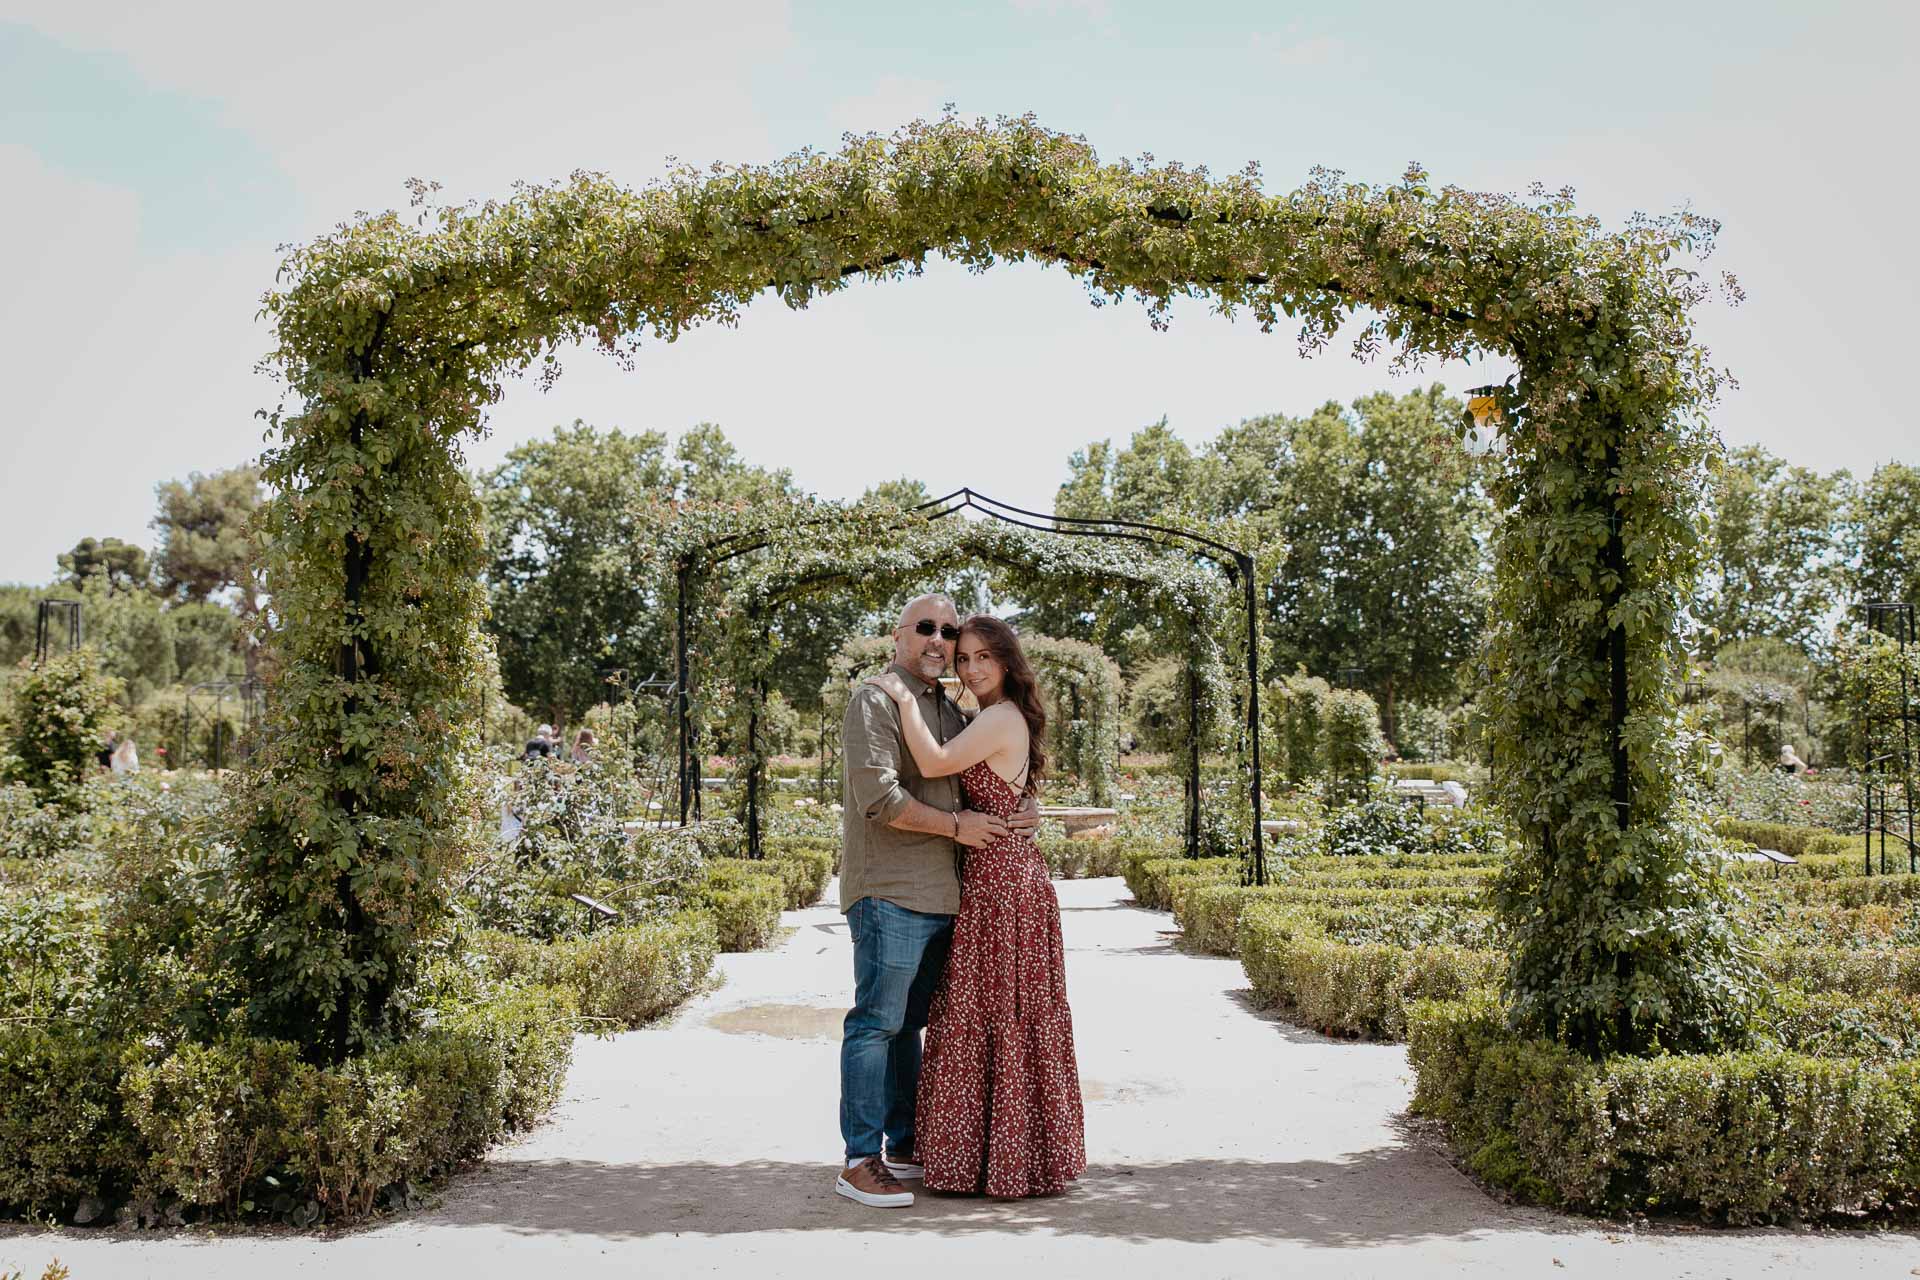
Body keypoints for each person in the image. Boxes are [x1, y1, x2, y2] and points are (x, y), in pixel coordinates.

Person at [834, 593, 1042, 1209]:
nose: (938, 640)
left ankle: (904, 1143)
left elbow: (983, 779)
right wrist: (958, 829)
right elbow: (881, 798)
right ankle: (858, 1159)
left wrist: (1025, 810)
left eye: (948, 631)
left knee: (912, 1026)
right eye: (925, 627)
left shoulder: (949, 707)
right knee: (876, 1023)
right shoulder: (875, 699)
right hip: (891, 890)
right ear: (898, 635)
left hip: (952, 895)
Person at [867, 613, 1086, 1199]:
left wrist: (900, 696)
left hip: (1004, 883)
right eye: (963, 658)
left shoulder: (1001, 716)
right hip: (995, 875)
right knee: (986, 1009)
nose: (970, 667)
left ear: (1008, 661)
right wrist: (1029, 805)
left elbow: (937, 763)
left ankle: (1002, 1158)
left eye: (983, 657)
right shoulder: (988, 717)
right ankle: (995, 1154)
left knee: (996, 1011)